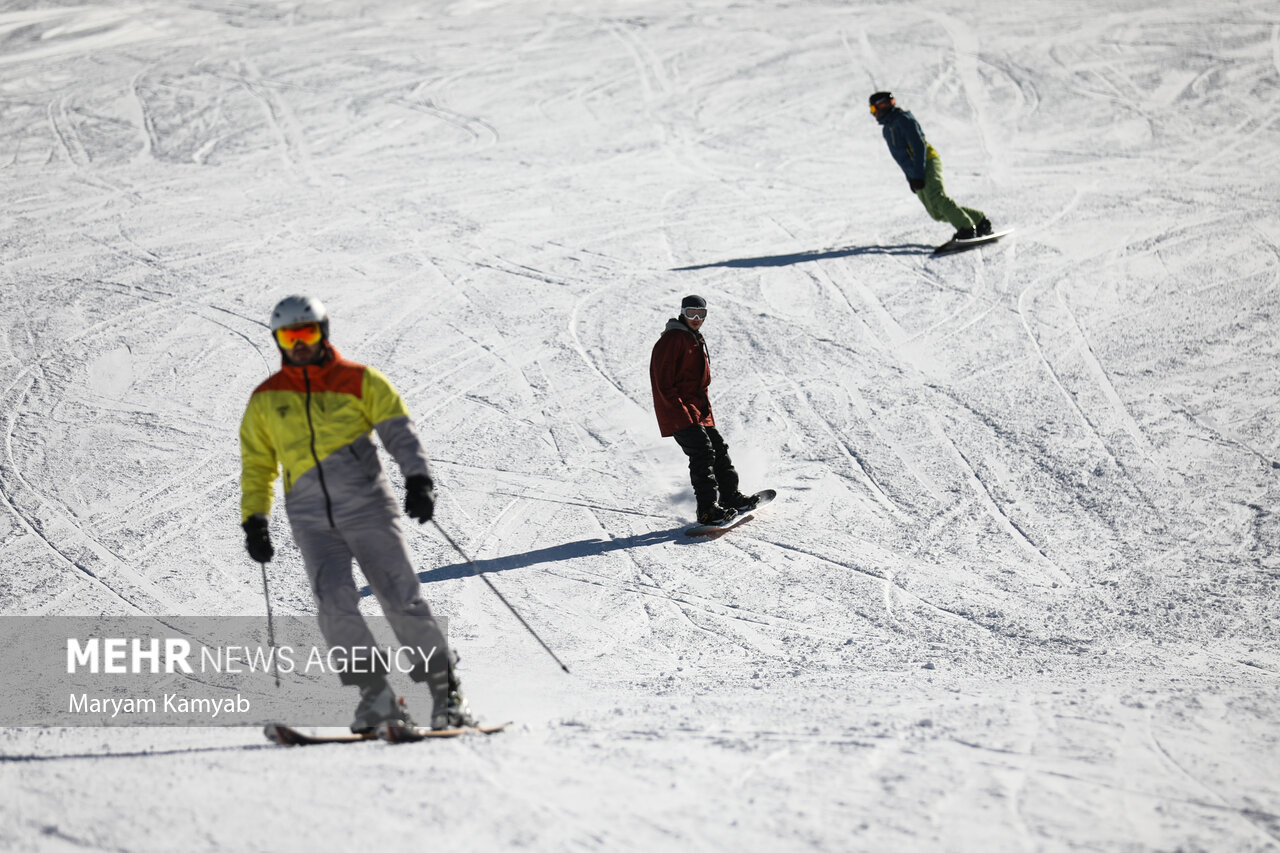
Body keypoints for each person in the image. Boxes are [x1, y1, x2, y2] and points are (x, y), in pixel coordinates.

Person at [238, 294, 474, 732]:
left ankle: (446, 693)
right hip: (310, 518)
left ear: (322, 331)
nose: (299, 344)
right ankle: (377, 697)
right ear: (278, 341)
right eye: (290, 336)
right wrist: (255, 519)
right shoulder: (266, 399)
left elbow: (397, 429)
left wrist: (418, 478)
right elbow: (257, 464)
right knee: (334, 605)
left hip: (367, 505)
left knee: (399, 596)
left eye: (306, 333)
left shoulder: (358, 380)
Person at [649, 295, 759, 525]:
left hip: (697, 410)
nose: (697, 318)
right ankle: (707, 510)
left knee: (718, 449)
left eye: (702, 314)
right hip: (678, 411)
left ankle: (730, 497)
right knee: (702, 453)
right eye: (691, 313)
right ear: (682, 312)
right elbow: (663, 381)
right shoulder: (673, 339)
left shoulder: (693, 338)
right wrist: (680, 410)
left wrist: (702, 412)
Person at [869, 91, 992, 241]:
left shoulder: (903, 120)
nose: (873, 114)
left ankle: (966, 228)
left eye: (874, 109)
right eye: (871, 110)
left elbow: (919, 146)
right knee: (936, 212)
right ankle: (979, 221)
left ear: (883, 105)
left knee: (937, 198)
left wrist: (919, 174)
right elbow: (902, 158)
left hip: (927, 161)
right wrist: (911, 178)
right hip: (915, 171)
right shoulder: (887, 129)